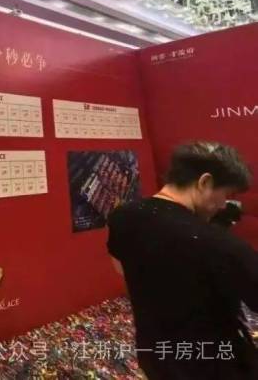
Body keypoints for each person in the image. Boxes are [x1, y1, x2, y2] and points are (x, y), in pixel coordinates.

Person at [107, 141, 258, 379]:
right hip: (217, 364)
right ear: (204, 182)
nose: (223, 205)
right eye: (226, 195)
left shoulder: (122, 216)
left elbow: (122, 269)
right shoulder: (223, 246)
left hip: (155, 353)